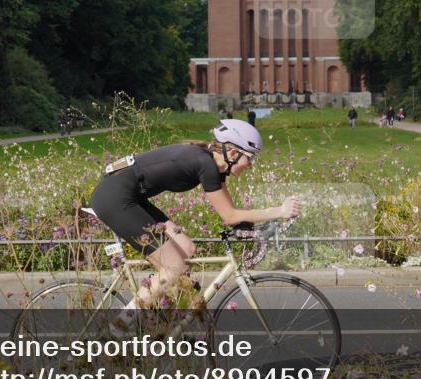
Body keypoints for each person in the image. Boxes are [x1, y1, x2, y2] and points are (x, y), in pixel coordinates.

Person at [90, 120, 300, 324]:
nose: (251, 165)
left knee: (187, 249)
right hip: (116, 199)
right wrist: (279, 211)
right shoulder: (205, 164)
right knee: (173, 269)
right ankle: (118, 328)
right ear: (233, 153)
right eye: (250, 158)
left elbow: (231, 213)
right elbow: (229, 216)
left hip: (129, 196)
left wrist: (247, 224)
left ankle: (155, 316)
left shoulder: (213, 165)